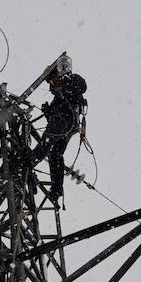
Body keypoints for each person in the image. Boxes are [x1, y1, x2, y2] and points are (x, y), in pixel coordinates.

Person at [32, 70, 88, 206]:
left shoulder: (71, 80)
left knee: (49, 139)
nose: (52, 82)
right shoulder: (56, 98)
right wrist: (48, 112)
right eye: (50, 81)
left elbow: (83, 86)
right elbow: (51, 118)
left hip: (67, 121)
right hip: (64, 126)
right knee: (55, 154)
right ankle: (57, 189)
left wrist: (66, 84)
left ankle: (31, 159)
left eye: (53, 78)